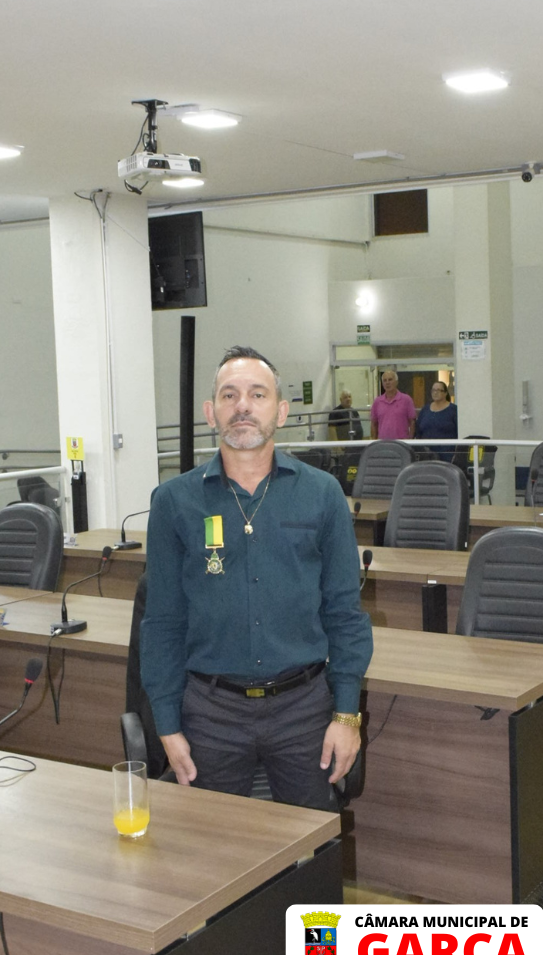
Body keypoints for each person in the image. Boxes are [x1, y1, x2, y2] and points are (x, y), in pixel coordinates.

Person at [139, 346, 373, 811]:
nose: (242, 406)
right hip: (210, 713)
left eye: (257, 394)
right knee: (214, 845)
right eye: (229, 395)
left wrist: (347, 714)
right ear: (211, 412)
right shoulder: (173, 502)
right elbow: (162, 622)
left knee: (310, 842)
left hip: (303, 708)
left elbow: (345, 614)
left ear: (281, 412)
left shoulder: (322, 494)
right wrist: (166, 724)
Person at [414, 380, 458, 459]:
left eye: (438, 390)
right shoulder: (425, 410)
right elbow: (418, 431)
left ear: (445, 393)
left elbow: (459, 431)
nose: (435, 393)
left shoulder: (453, 410)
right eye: (433, 390)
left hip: (447, 454)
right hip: (426, 455)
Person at [370, 369, 416, 440]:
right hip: (382, 442)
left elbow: (412, 422)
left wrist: (410, 440)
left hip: (401, 443)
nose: (387, 383)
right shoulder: (377, 402)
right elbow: (373, 423)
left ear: (396, 382)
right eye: (385, 380)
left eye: (390, 379)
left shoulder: (406, 400)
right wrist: (374, 441)